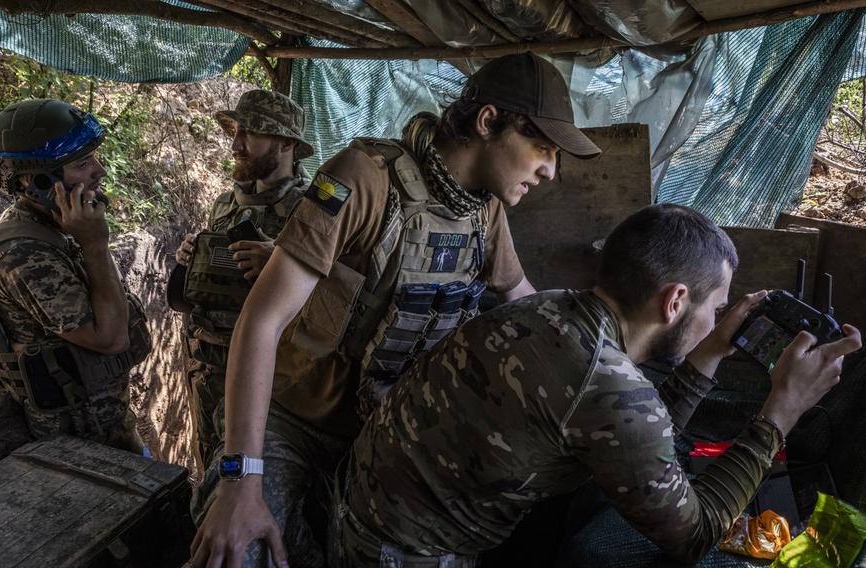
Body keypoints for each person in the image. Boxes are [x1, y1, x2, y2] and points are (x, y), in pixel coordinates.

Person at [190, 52, 602, 568]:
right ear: (488, 121)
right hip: (294, 424)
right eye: (541, 146)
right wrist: (240, 478)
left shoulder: (484, 212)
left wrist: (602, 370)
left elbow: (526, 305)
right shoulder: (363, 177)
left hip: (393, 437)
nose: (549, 170)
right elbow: (262, 319)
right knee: (238, 550)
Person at [328, 204, 863, 567]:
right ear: (675, 301)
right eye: (716, 309)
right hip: (405, 553)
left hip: (361, 506)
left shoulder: (550, 305)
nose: (718, 319)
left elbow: (625, 425)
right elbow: (694, 534)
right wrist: (780, 413)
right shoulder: (608, 384)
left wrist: (709, 350)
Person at [0, 98, 151, 453]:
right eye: (83, 164)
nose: (100, 171)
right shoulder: (23, 254)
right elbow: (110, 339)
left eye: (94, 157)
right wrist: (96, 245)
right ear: (36, 181)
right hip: (79, 442)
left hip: (107, 425)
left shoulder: (57, 228)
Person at [168, 89, 313, 472]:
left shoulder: (312, 213)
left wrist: (282, 265)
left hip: (272, 374)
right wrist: (192, 256)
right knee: (208, 466)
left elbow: (335, 303)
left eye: (249, 133)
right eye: (235, 131)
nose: (235, 144)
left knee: (251, 470)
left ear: (285, 142)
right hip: (207, 364)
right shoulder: (225, 203)